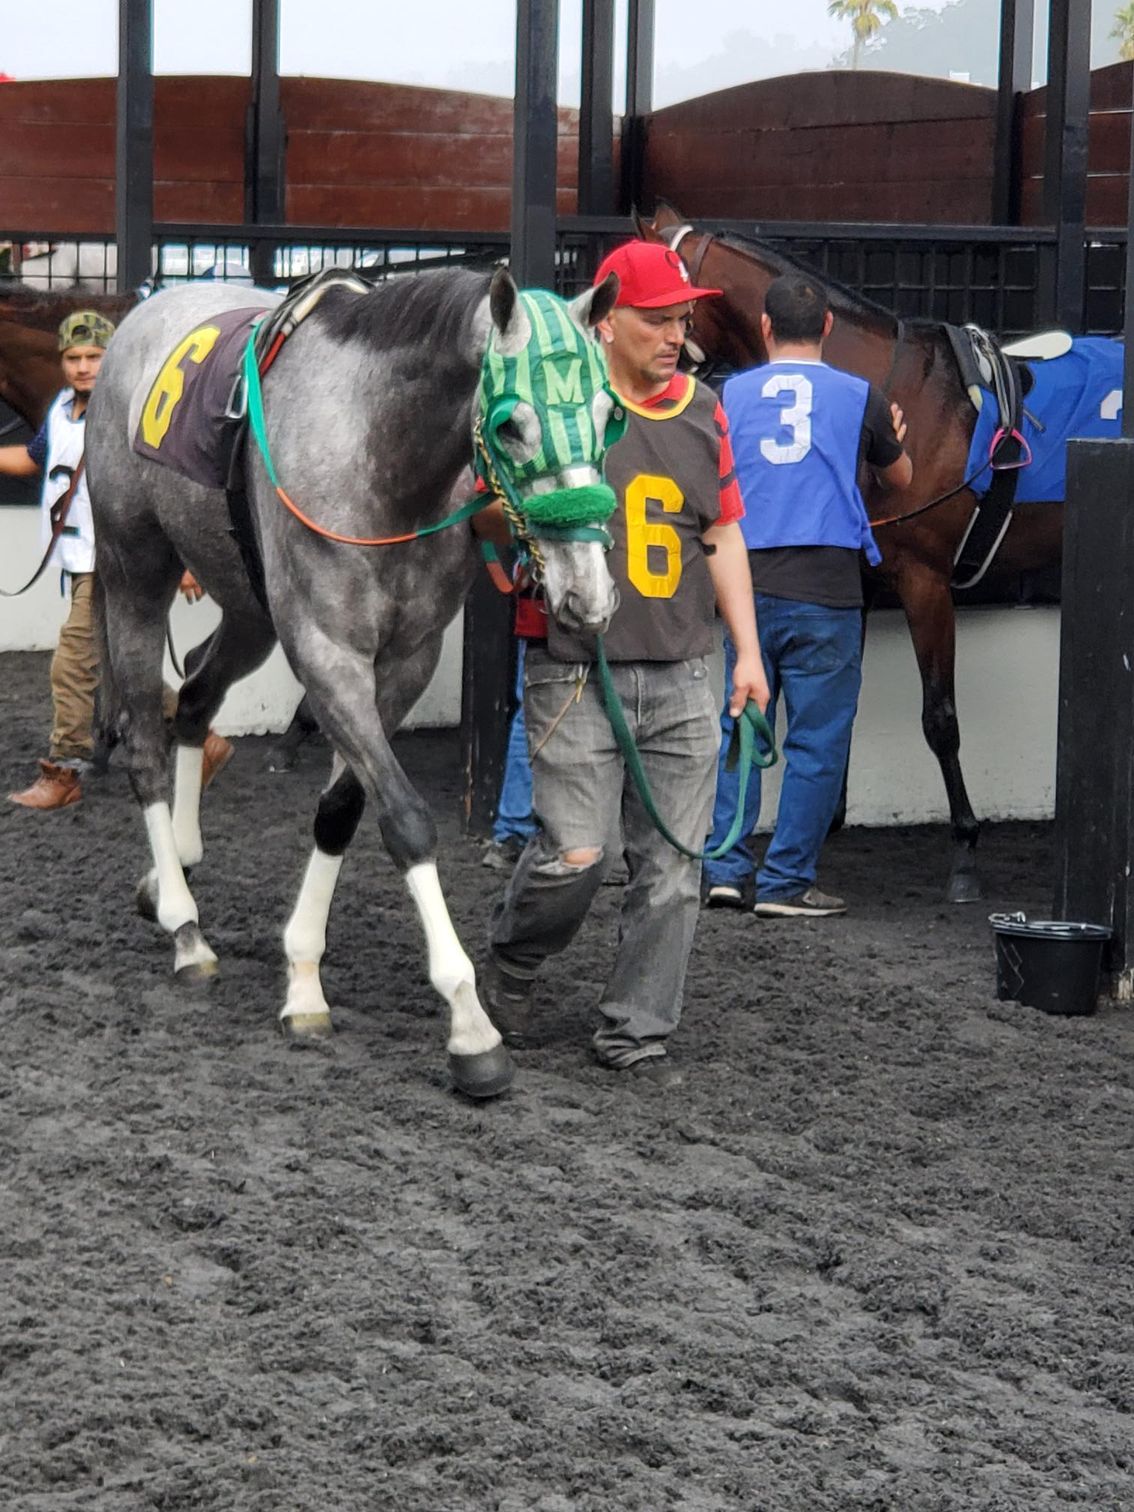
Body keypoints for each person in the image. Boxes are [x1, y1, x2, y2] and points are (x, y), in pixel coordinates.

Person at [482, 239, 769, 1086]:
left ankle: (635, 1031)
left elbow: (720, 533)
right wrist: (514, 518)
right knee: (576, 856)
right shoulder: (554, 401)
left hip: (685, 672)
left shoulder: (704, 411)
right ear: (607, 323)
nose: (676, 332)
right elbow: (481, 523)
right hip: (573, 670)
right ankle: (514, 960)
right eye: (657, 318)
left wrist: (748, 653)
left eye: (682, 317)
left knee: (675, 870)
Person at [702, 272, 912, 916]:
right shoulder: (861, 395)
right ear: (826, 327)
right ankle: (788, 882)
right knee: (817, 742)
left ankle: (725, 870)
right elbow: (899, 480)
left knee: (742, 727)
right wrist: (890, 437)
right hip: (826, 589)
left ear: (764, 328)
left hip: (745, 586)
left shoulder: (725, 395)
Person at [0, 310, 231, 810]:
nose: (84, 367)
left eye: (94, 357)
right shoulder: (61, 410)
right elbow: (34, 461)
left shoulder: (129, 414)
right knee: (114, 668)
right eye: (74, 358)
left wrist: (187, 558)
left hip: (113, 560)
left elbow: (170, 484)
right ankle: (202, 736)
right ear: (61, 362)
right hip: (82, 561)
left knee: (71, 664)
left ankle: (64, 769)